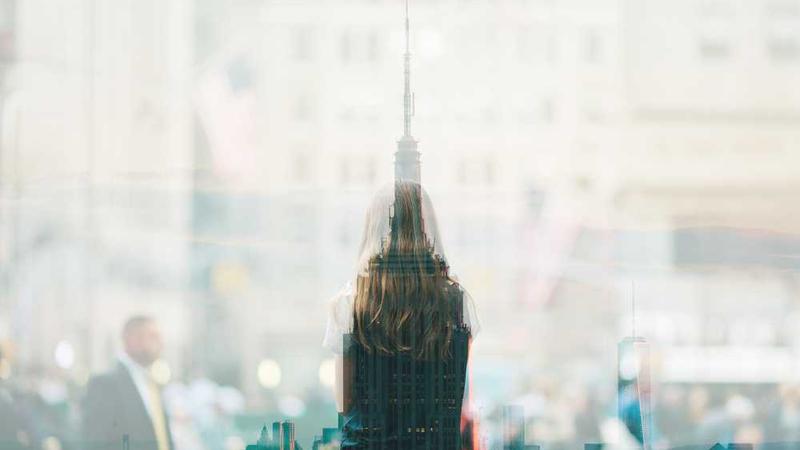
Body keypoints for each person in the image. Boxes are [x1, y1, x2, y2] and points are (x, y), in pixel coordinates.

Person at [323, 181, 480, 449]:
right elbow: (455, 393)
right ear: (427, 229)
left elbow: (344, 402)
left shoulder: (351, 303)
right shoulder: (457, 302)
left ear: (373, 229)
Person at [83, 316, 173, 450]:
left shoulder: (151, 384)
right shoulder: (105, 385)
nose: (161, 343)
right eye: (153, 337)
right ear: (132, 339)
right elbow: (98, 442)